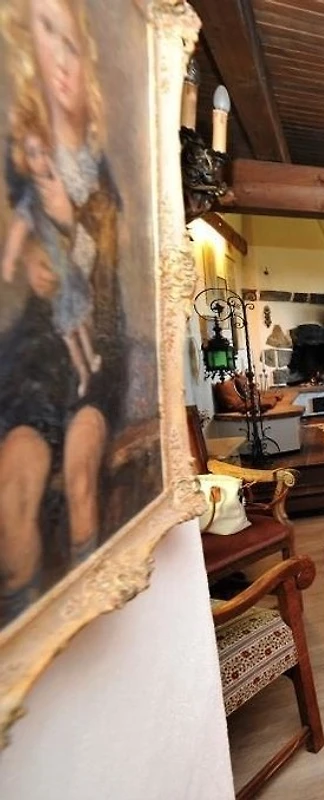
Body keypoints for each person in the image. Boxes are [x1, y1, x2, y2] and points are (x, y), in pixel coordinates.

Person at [0, 0, 126, 624]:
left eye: (69, 40)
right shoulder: (20, 152)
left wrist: (68, 223)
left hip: (98, 334)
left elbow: (108, 260)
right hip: (38, 337)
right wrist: (26, 259)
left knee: (80, 468)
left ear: (85, 54)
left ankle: (93, 627)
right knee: (11, 485)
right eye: (43, 33)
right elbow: (19, 231)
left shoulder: (101, 170)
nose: (58, 58)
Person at [2, 93, 102, 397]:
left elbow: (90, 210)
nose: (40, 160)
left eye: (44, 152)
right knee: (68, 330)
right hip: (56, 273)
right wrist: (9, 258)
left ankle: (91, 359)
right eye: (32, 154)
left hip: (68, 267)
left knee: (81, 320)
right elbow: (20, 226)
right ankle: (82, 372)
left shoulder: (65, 183)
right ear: (24, 159)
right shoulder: (32, 197)